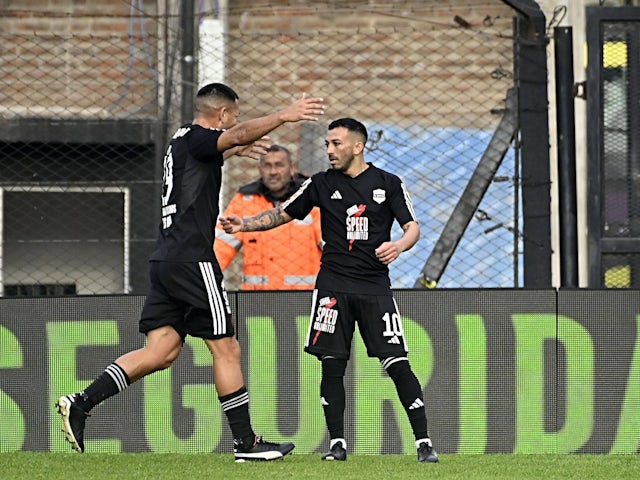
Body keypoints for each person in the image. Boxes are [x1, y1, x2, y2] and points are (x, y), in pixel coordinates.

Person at [55, 83, 325, 461]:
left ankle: (82, 403)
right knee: (226, 347)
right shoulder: (202, 135)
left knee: (161, 351)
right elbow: (233, 136)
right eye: (233, 117)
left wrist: (230, 150)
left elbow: (202, 167)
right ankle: (247, 443)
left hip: (166, 259)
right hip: (192, 259)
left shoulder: (180, 140)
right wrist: (283, 115)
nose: (235, 123)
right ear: (222, 114)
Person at [220, 117, 438, 463]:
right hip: (332, 287)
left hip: (374, 287)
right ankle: (337, 444)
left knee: (397, 362)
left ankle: (423, 443)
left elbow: (412, 226)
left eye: (336, 143)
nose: (329, 150)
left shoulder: (389, 183)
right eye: (327, 144)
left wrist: (399, 246)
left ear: (357, 146)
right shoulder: (321, 184)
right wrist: (244, 224)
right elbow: (283, 213)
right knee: (332, 365)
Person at [215, 144, 322, 290]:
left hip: (304, 298)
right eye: (267, 166)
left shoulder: (311, 200)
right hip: (257, 300)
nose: (273, 172)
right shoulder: (245, 199)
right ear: (260, 169)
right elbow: (220, 248)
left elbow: (329, 246)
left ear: (292, 168)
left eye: (279, 165)